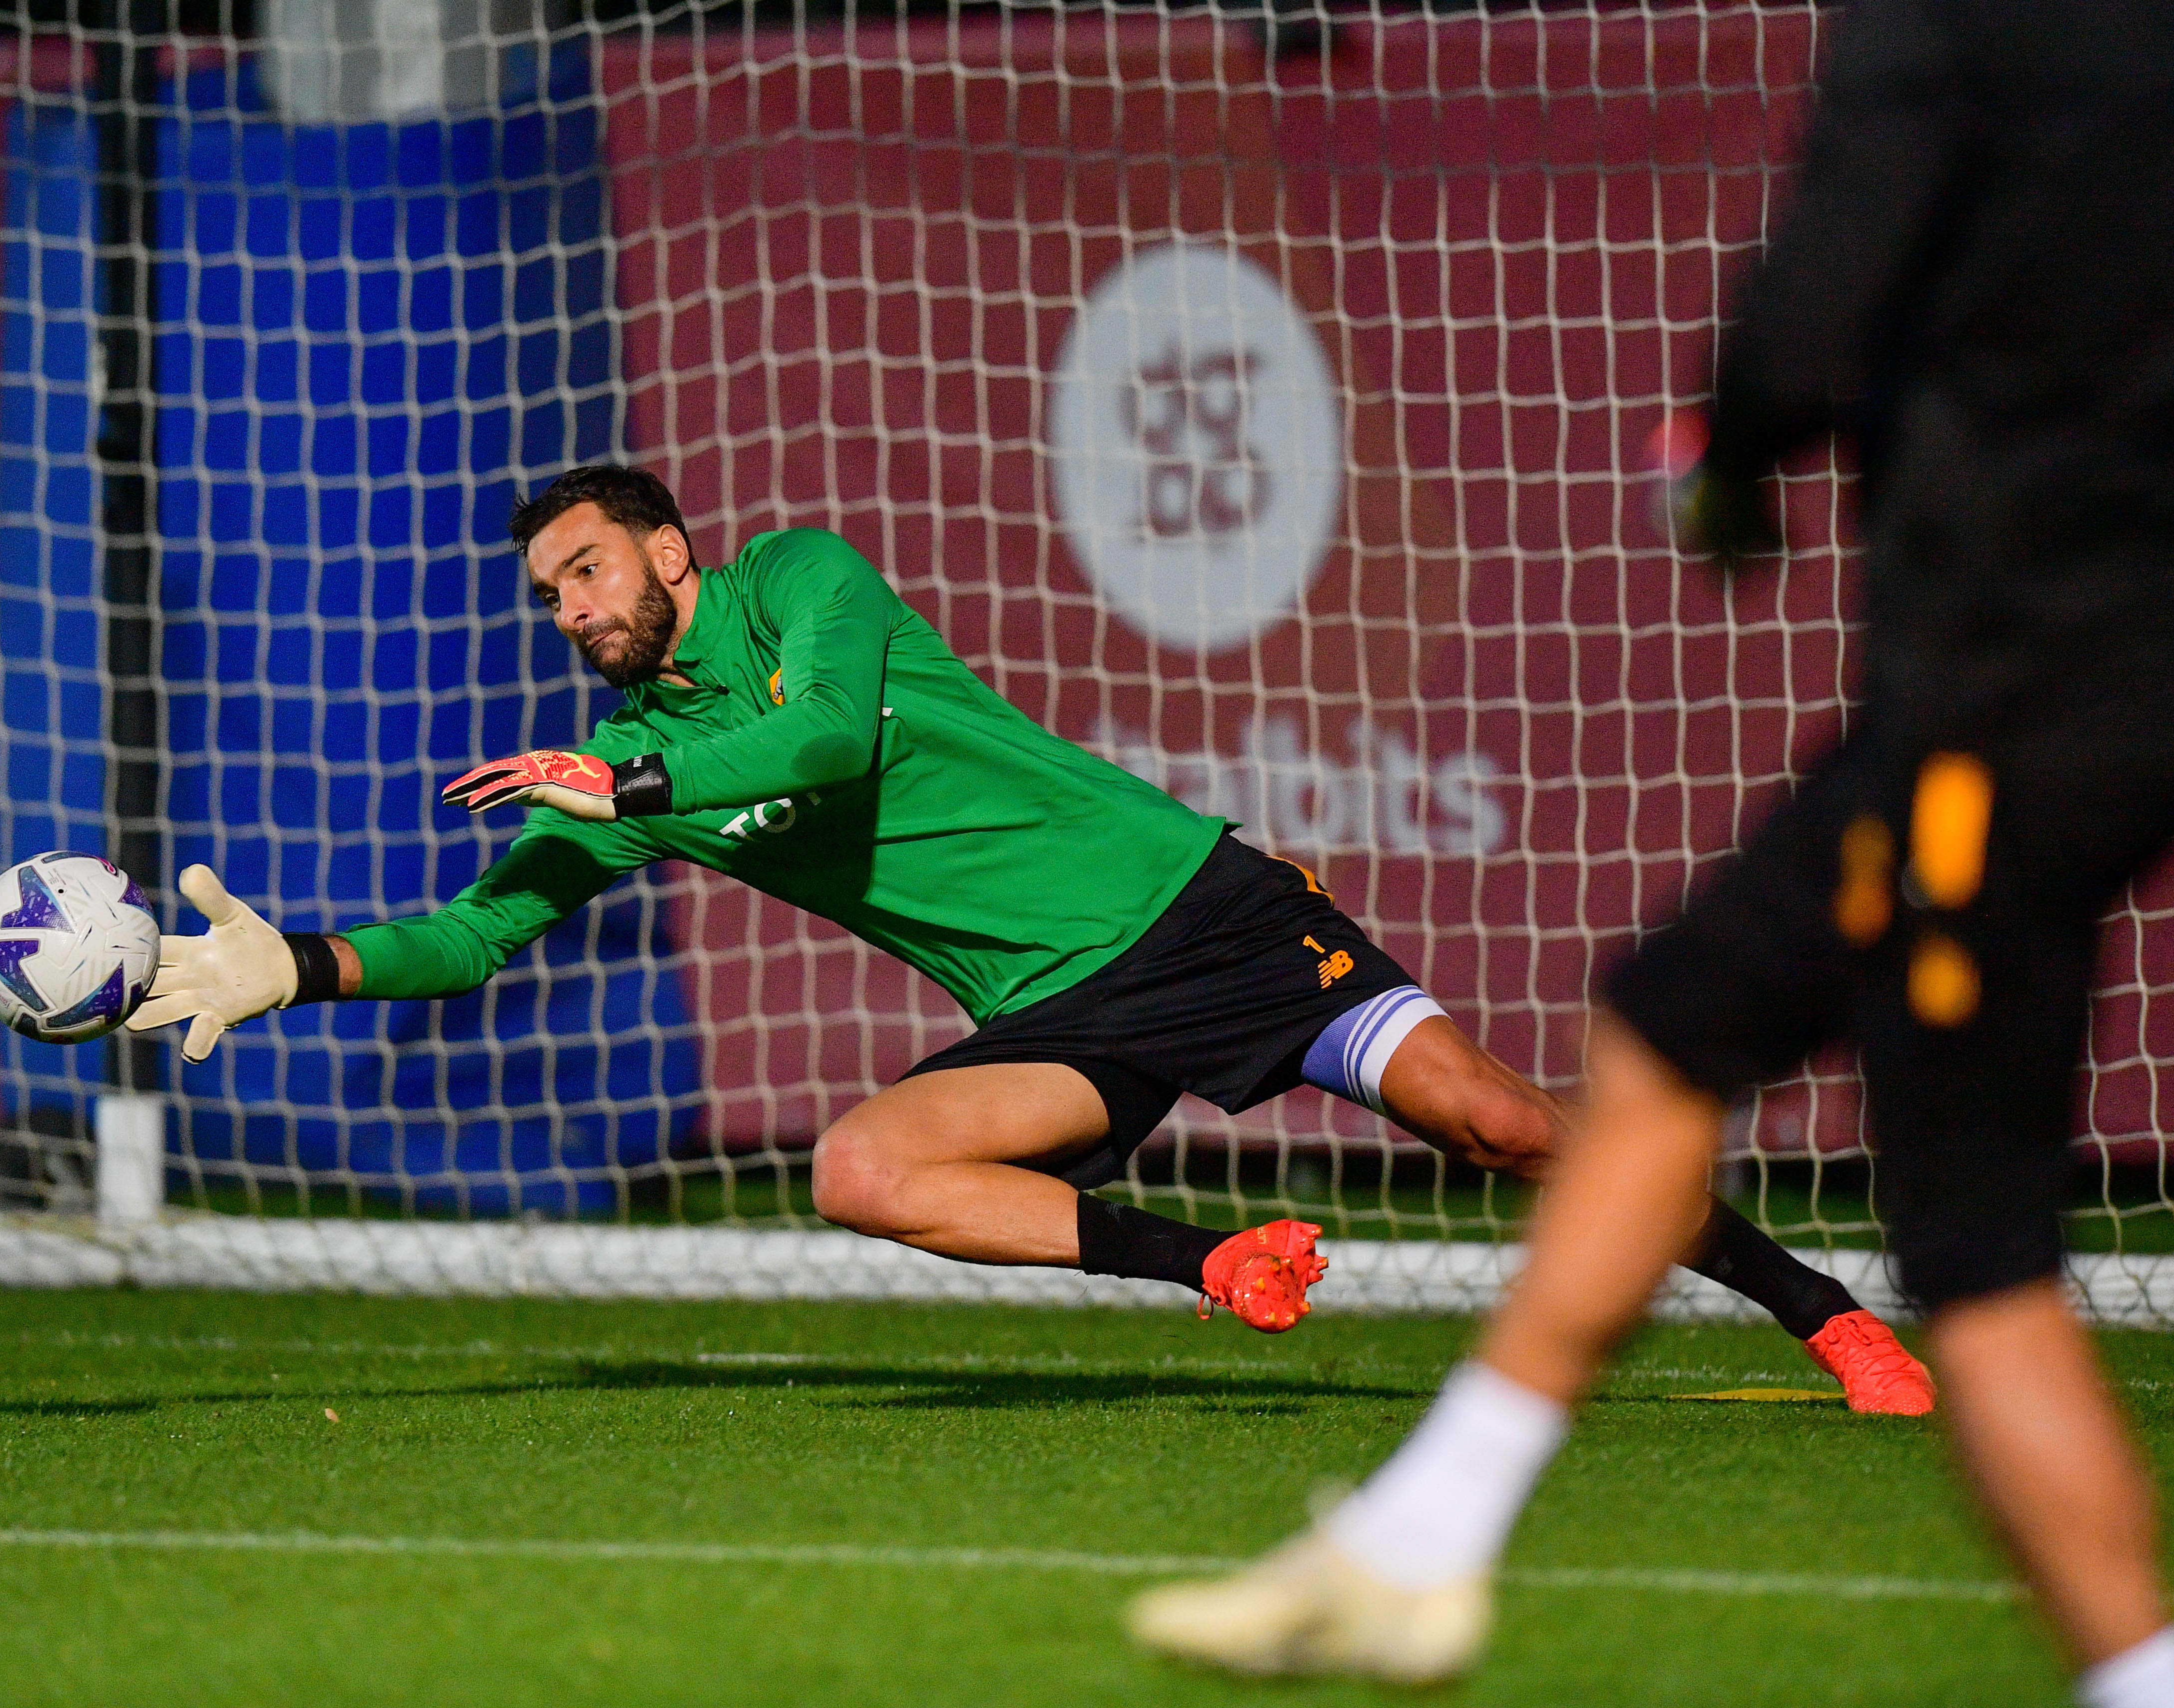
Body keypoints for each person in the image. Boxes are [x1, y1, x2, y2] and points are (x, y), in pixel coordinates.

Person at [1128, 2, 2174, 1708]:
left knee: (1985, 1269)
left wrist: (1722, 456)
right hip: (2141, 684)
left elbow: (1803, 329)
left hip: (1998, 714)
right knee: (1668, 1036)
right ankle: (1420, 1539)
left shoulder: (1955, 30)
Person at [128, 464, 1925, 1399]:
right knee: (859, 1167)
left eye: (587, 570)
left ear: (672, 553)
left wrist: (632, 791)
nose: (569, 608)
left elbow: (822, 737)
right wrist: (301, 963)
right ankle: (1213, 1262)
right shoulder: (627, 760)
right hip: (1063, 1011)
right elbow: (480, 928)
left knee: (1509, 1126)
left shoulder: (801, 583)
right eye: (546, 596)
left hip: (1192, 909)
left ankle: (1823, 1314)